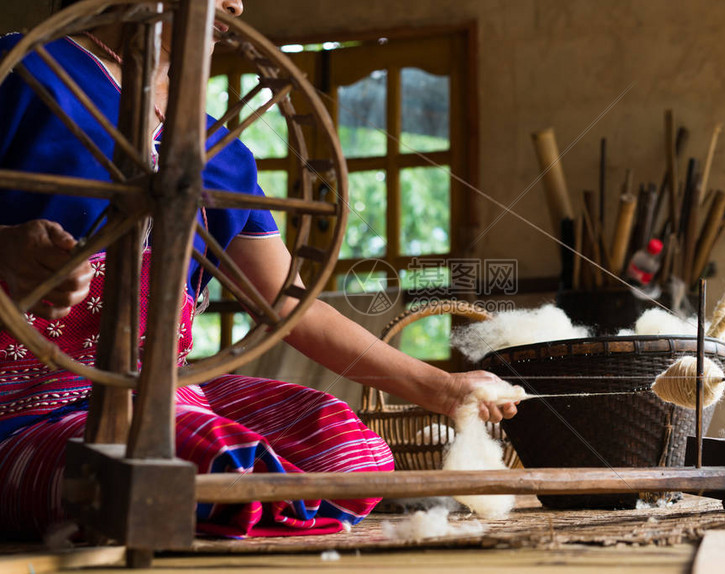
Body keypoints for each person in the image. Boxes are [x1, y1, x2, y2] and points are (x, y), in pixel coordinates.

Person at [0, 0, 518, 539]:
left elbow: (287, 301)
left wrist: (445, 389)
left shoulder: (219, 148)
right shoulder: (24, 73)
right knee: (192, 455)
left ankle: (176, 503)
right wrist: (7, 248)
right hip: (19, 407)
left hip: (167, 396)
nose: (236, 4)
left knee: (349, 448)